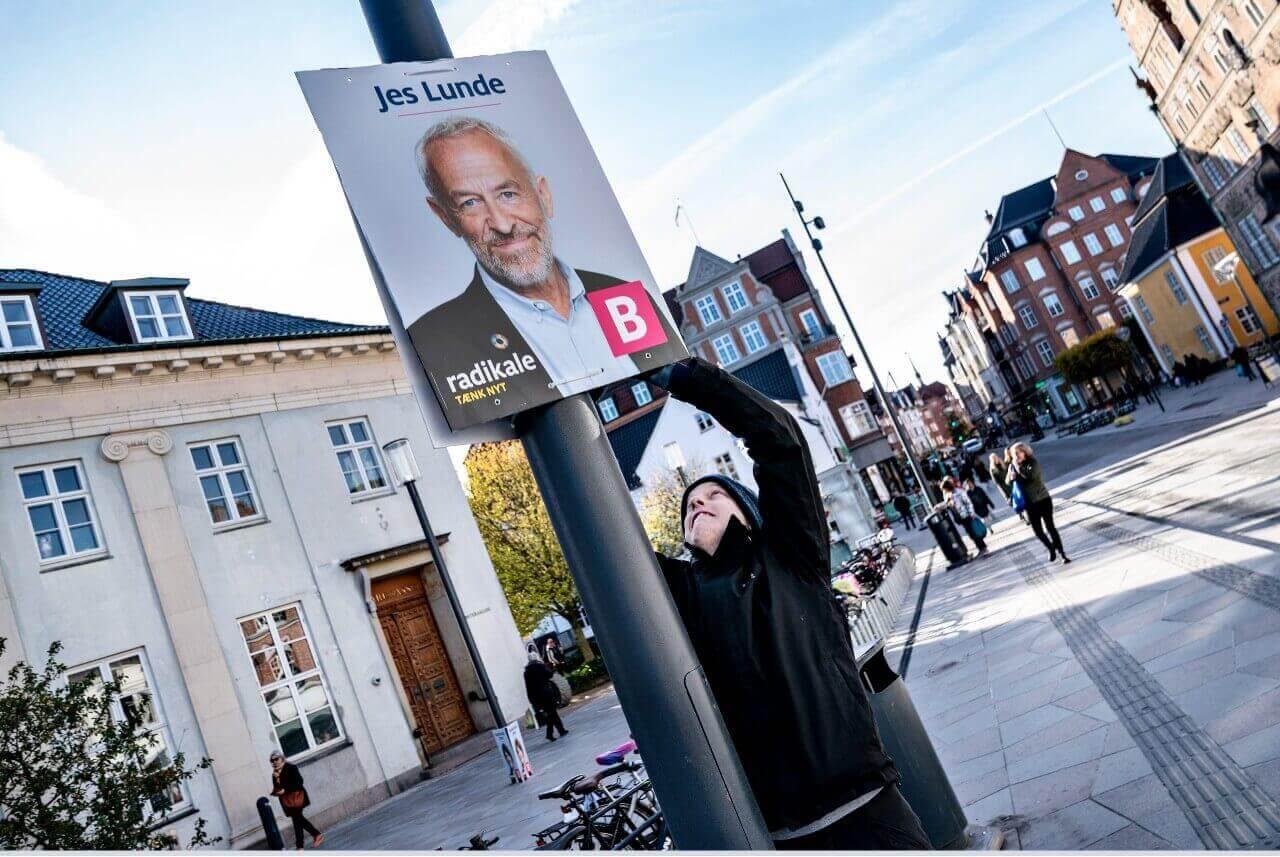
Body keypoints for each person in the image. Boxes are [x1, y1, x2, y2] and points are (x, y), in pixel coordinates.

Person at [648, 357, 930, 850]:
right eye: (689, 505)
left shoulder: (792, 555)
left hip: (864, 803)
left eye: (713, 493)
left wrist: (687, 378)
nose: (697, 502)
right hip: (780, 831)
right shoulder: (681, 593)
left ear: (749, 513)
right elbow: (608, 549)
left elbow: (781, 442)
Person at [409, 116, 678, 400]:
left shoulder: (622, 296)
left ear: (543, 195)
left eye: (508, 194)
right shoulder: (439, 346)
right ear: (446, 218)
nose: (502, 224)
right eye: (470, 203)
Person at [1007, 442, 1069, 564]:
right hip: (1029, 504)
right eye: (1014, 454)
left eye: (1018, 453)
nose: (1016, 456)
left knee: (1050, 528)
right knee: (1038, 531)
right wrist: (1011, 474)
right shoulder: (1012, 466)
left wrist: (1017, 471)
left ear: (1024, 452)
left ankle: (1062, 554)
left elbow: (1031, 478)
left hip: (1042, 499)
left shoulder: (1032, 463)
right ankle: (1051, 548)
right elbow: (1008, 481)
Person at [270, 750, 323, 850]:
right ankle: (316, 835)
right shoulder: (275, 774)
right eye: (272, 761)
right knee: (299, 820)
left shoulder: (291, 768)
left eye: (276, 759)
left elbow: (299, 782)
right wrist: (277, 781)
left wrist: (285, 790)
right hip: (288, 801)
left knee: (297, 821)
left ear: (282, 758)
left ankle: (300, 847)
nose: (274, 762)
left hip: (297, 798)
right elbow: (277, 788)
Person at [524, 652, 568, 741]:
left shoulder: (527, 672)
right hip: (547, 693)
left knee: (550, 713)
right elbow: (550, 675)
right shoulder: (541, 666)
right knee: (552, 713)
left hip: (537, 697)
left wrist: (531, 699)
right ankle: (560, 731)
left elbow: (528, 687)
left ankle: (550, 734)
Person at [941, 477, 989, 556]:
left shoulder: (959, 492)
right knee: (971, 534)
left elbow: (968, 502)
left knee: (974, 533)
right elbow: (947, 504)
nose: (943, 491)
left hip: (967, 516)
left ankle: (983, 548)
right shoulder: (949, 495)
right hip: (961, 518)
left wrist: (971, 513)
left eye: (944, 489)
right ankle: (981, 548)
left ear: (947, 488)